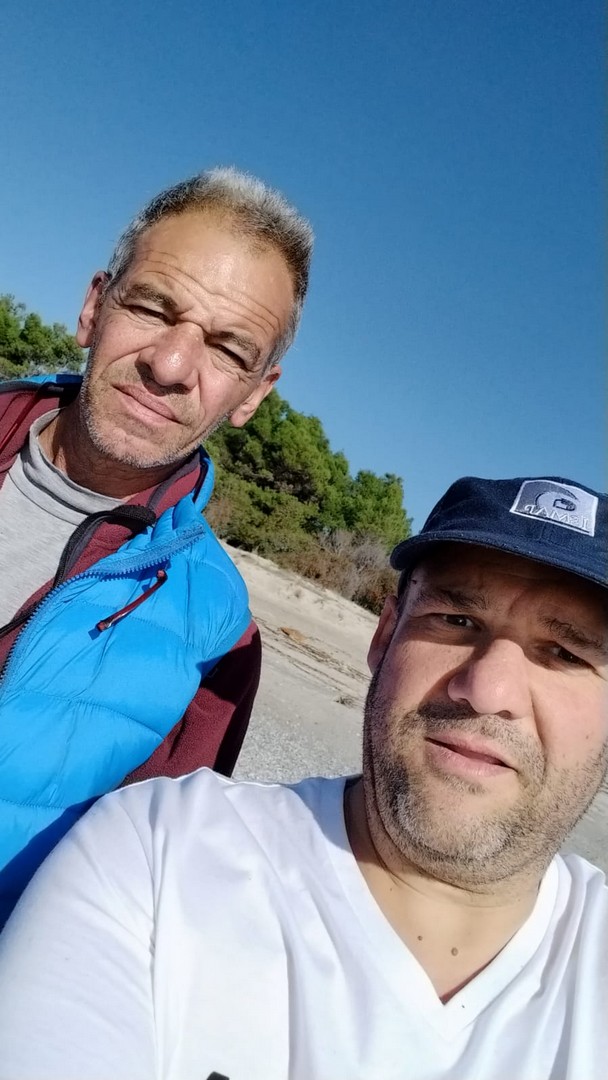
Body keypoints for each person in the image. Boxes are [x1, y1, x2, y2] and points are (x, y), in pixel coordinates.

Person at [0, 473, 606, 1080]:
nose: (487, 690)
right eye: (456, 619)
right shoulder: (157, 853)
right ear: (384, 634)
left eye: (566, 653)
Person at [0, 167, 313, 923]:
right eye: (151, 308)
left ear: (254, 393)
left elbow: (131, 902)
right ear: (94, 306)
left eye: (228, 349)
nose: (170, 366)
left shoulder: (219, 635)